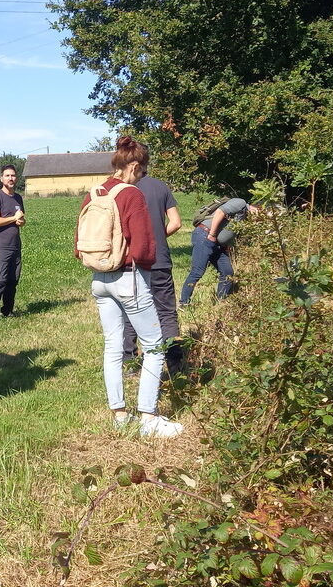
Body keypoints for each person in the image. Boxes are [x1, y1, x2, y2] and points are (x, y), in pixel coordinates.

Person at [76, 137, 183, 439]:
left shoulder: (94, 193)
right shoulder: (131, 194)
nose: (141, 177)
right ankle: (149, 418)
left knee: (112, 346)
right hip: (129, 278)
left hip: (100, 281)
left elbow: (79, 240)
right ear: (134, 166)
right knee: (154, 345)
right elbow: (144, 246)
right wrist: (145, 265)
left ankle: (120, 416)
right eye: (142, 171)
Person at [122, 170, 184, 375]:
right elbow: (176, 222)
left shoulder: (124, 188)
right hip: (160, 260)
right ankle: (175, 365)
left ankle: (131, 364)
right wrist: (156, 238)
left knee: (131, 312)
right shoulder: (160, 186)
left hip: (134, 261)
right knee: (167, 312)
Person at [179, 197, 257, 304]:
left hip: (217, 243)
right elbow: (220, 212)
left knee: (227, 272)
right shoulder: (241, 203)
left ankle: (221, 303)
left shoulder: (244, 217)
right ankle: (184, 303)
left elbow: (228, 231)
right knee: (197, 271)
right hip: (205, 235)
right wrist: (212, 234)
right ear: (258, 207)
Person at [0, 163, 25, 326]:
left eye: (13, 175)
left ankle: (7, 310)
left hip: (15, 244)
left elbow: (21, 220)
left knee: (13, 280)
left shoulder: (18, 198)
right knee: (0, 280)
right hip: (1, 245)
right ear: (1, 178)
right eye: (7, 175)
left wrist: (21, 221)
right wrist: (14, 218)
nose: (11, 178)